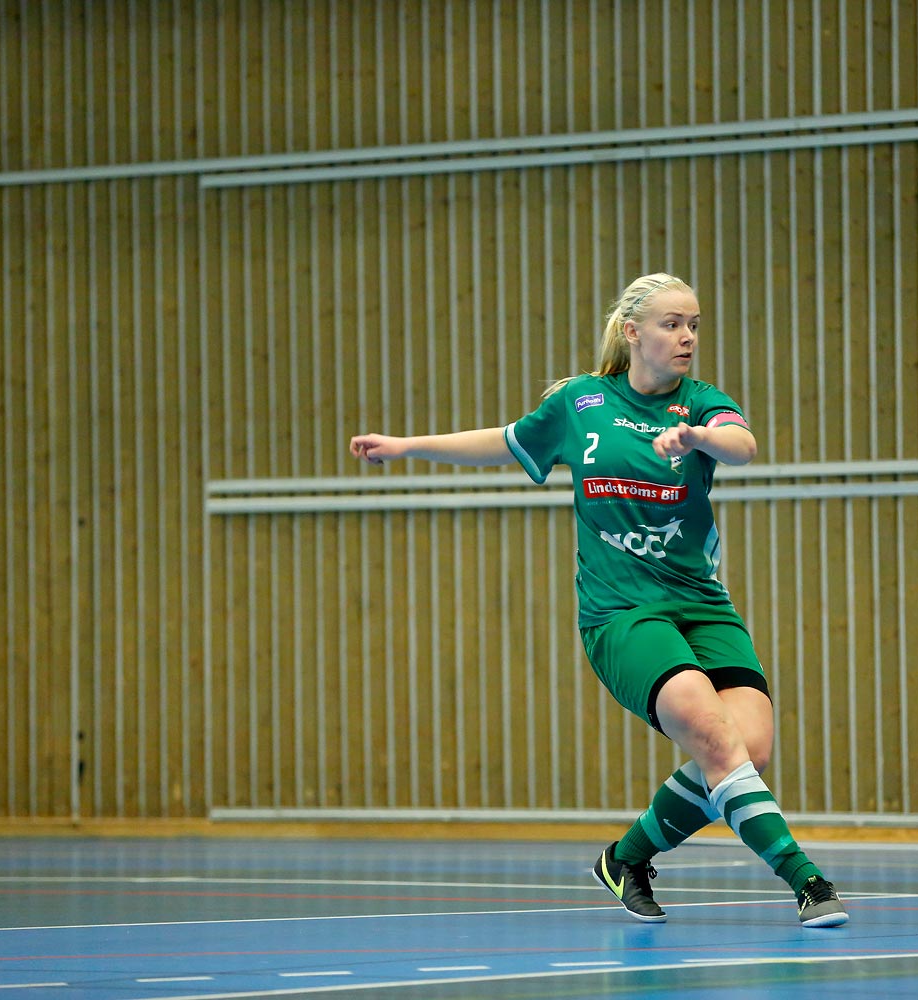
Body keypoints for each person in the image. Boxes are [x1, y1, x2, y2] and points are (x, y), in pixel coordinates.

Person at [349, 272, 848, 928]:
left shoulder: (698, 404)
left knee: (748, 750)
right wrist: (409, 445)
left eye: (694, 324)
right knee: (712, 736)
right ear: (632, 332)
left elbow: (743, 444)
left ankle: (626, 859)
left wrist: (698, 438)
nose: (687, 337)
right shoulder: (581, 404)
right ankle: (805, 879)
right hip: (623, 614)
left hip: (702, 604)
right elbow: (505, 441)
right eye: (672, 324)